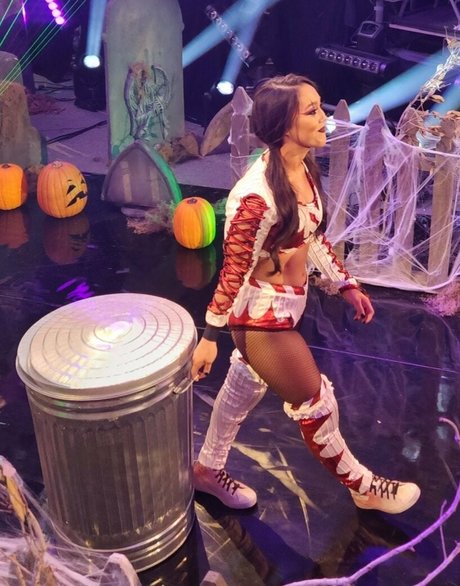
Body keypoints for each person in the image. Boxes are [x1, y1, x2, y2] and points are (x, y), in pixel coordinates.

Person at [191, 74, 420, 514]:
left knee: (240, 392)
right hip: (259, 316)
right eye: (311, 111)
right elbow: (234, 270)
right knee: (315, 401)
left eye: (320, 107)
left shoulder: (302, 168)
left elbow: (309, 235)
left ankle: (206, 470)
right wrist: (209, 337)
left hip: (288, 304)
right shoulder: (254, 197)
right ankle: (364, 486)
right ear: (284, 124)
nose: (323, 118)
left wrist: (344, 282)